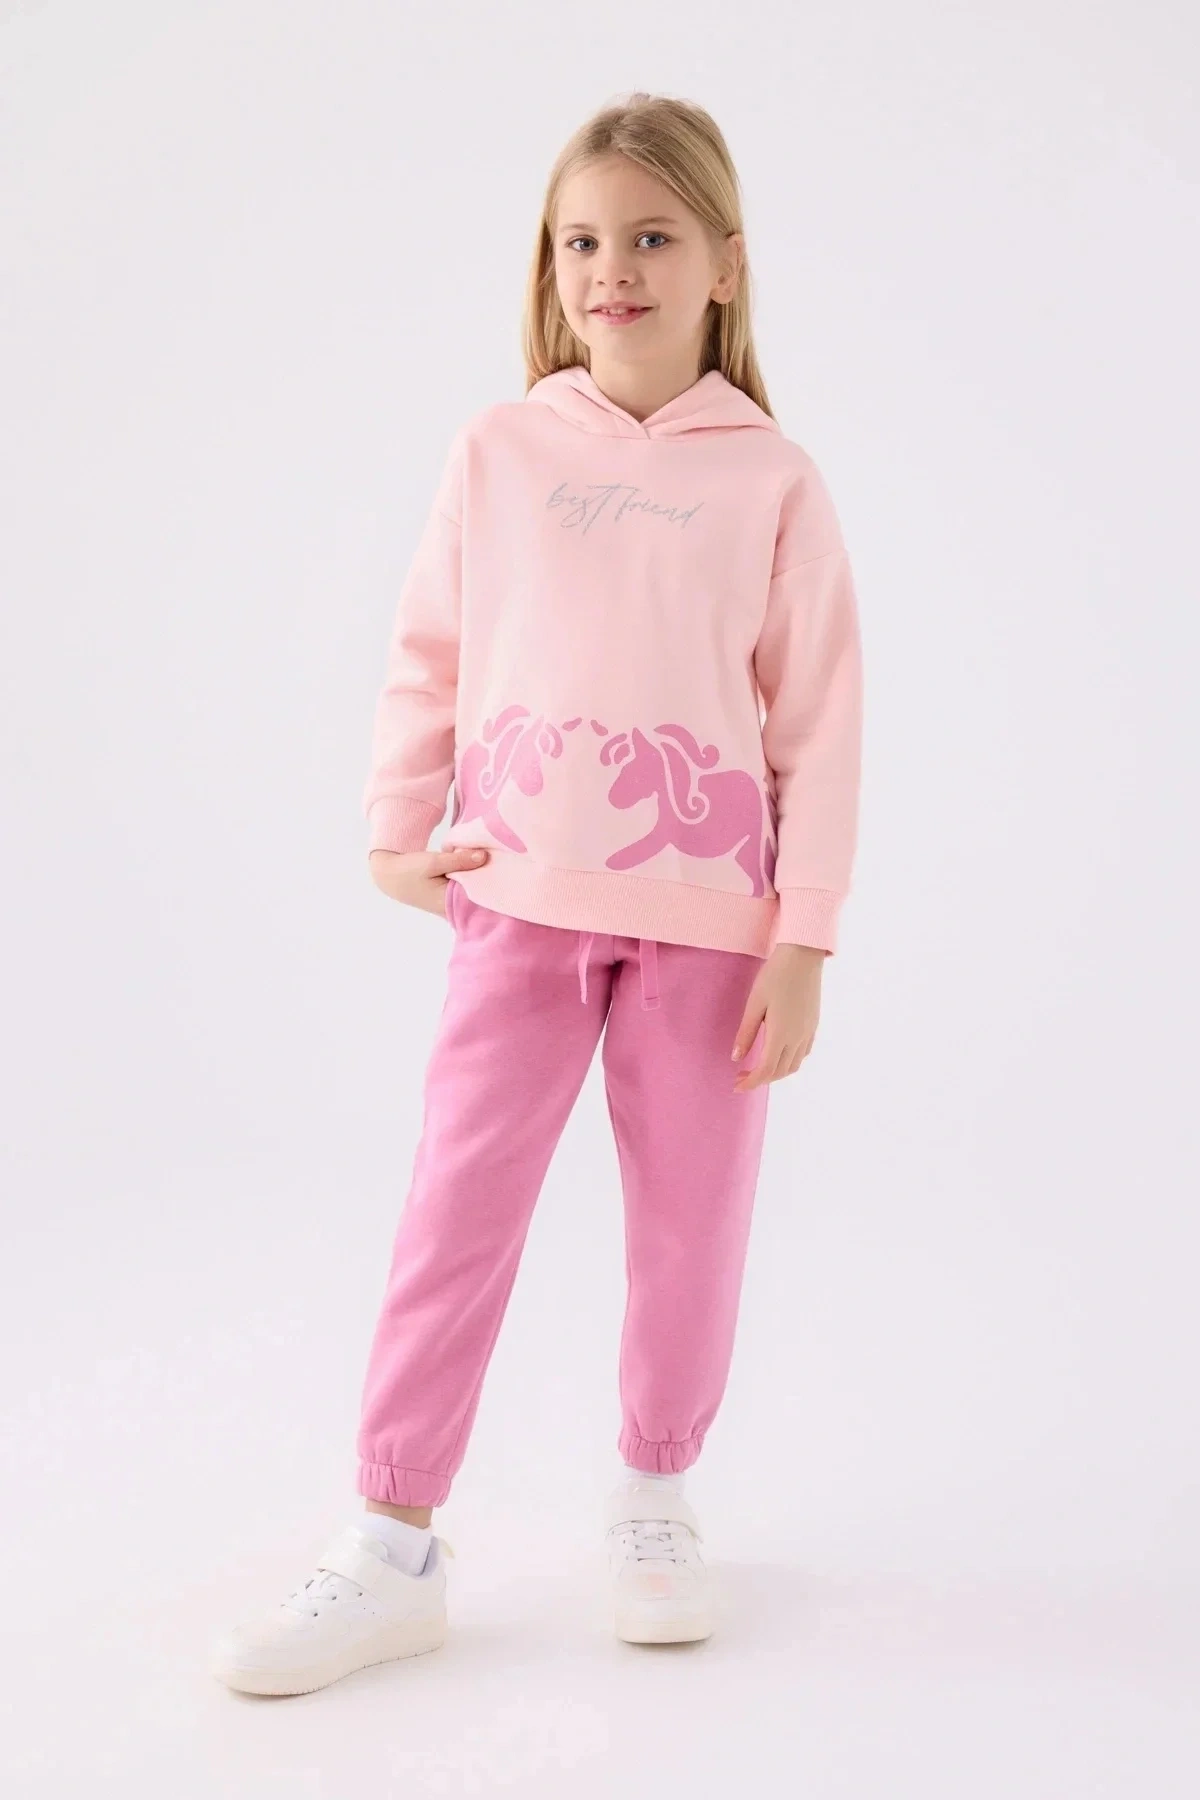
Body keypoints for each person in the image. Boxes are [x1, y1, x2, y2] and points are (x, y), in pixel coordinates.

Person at [212, 89, 864, 1697]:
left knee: (691, 1224)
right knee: (458, 1208)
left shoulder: (773, 480)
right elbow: (428, 646)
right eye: (582, 241)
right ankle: (391, 1543)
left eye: (650, 237)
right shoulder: (499, 451)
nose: (611, 270)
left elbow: (819, 719)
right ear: (549, 263)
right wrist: (396, 825)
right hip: (514, 897)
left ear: (724, 263)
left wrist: (806, 936)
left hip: (712, 928)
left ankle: (655, 1498)